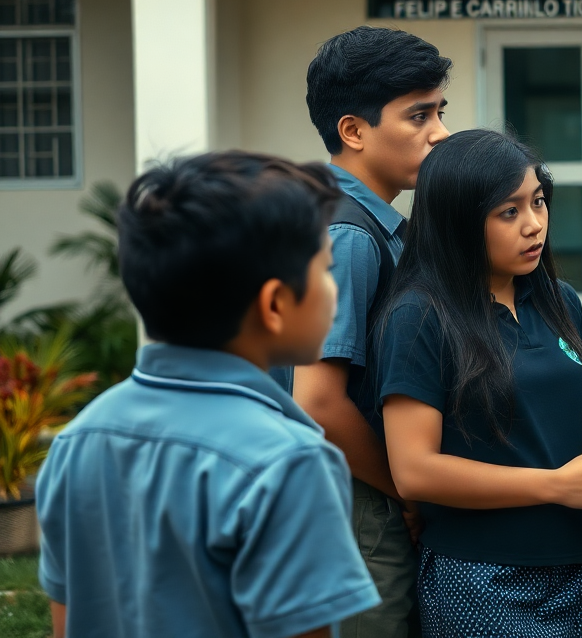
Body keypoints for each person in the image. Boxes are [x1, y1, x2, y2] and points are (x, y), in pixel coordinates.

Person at [35, 151, 380, 638]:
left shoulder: (76, 442)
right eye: (325, 269)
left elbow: (67, 625)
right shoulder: (289, 462)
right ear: (276, 304)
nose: (333, 288)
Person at [375, 129, 582, 638]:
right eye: (509, 212)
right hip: (480, 572)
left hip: (579, 565)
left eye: (538, 202)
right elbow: (414, 471)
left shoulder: (557, 298)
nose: (534, 225)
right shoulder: (420, 316)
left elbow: (558, 430)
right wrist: (556, 484)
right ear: (458, 220)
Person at [287, 26, 452, 638]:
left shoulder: (328, 209)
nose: (439, 132)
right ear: (353, 131)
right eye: (418, 116)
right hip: (357, 502)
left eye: (440, 111)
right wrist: (406, 490)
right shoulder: (351, 236)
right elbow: (320, 402)